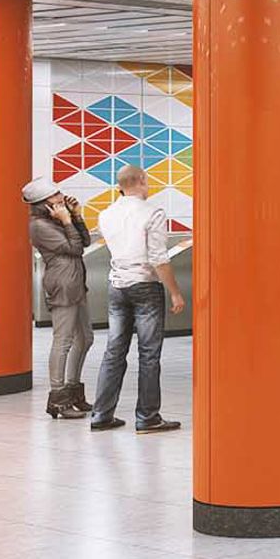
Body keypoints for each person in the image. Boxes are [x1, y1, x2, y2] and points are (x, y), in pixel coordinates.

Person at [89, 165, 184, 434]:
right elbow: (158, 258)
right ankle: (147, 417)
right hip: (145, 287)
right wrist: (175, 291)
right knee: (149, 354)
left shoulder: (106, 214)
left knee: (114, 351)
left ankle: (101, 415)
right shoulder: (152, 212)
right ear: (142, 181)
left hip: (117, 286)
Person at [25, 180, 93, 420]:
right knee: (63, 341)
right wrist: (66, 221)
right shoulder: (39, 226)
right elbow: (74, 249)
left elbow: (85, 241)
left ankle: (73, 391)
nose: (61, 196)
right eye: (56, 195)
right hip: (62, 284)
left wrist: (75, 216)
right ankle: (58, 398)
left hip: (75, 282)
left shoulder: (55, 220)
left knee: (85, 338)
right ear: (44, 203)